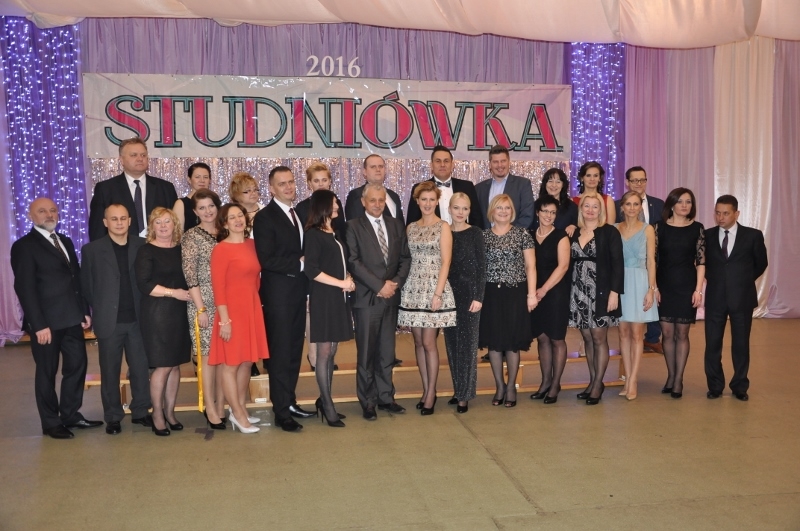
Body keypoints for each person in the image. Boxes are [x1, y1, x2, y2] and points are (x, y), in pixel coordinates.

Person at [11, 198, 102, 439]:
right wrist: (38, 324)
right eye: (42, 211)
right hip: (46, 325)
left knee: (77, 366)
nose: (49, 215)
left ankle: (70, 415)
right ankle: (51, 423)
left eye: (53, 210)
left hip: (71, 318)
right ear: (31, 216)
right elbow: (25, 288)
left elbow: (75, 278)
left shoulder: (65, 241)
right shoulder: (24, 246)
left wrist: (84, 310)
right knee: (47, 372)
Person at [81, 204, 152, 435]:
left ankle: (141, 411)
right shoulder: (92, 250)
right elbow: (87, 285)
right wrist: (99, 308)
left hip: (138, 320)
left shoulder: (143, 245)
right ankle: (113, 416)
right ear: (105, 222)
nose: (119, 222)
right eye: (114, 219)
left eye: (123, 218)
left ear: (130, 221)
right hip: (109, 321)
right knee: (110, 372)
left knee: (140, 368)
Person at [252, 166, 314, 432]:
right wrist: (300, 264)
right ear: (271, 188)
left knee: (294, 352)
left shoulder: (297, 213)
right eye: (282, 184)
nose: (289, 187)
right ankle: (281, 412)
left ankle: (289, 401)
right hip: (278, 296)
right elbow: (266, 259)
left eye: (291, 182)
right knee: (280, 354)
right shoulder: (265, 217)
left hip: (297, 293)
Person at [346, 184, 412, 421]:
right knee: (366, 354)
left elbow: (405, 258)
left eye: (381, 200)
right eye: (372, 200)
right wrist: (379, 285)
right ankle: (368, 401)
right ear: (363, 202)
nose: (377, 204)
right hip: (367, 299)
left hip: (390, 297)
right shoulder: (353, 226)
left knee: (386, 352)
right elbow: (353, 261)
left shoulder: (396, 225)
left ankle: (386, 397)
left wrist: (395, 283)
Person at [210, 203, 270, 434]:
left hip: (251, 308)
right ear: (224, 223)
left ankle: (241, 409)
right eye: (232, 217)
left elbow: (257, 280)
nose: (237, 220)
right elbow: (218, 287)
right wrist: (224, 320)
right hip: (231, 312)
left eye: (240, 216)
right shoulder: (221, 249)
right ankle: (236, 413)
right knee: (231, 365)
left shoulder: (252, 245)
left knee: (246, 362)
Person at [398, 181, 457, 416]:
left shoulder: (444, 226)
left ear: (437, 201)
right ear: (417, 201)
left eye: (432, 199)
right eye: (424, 199)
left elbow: (446, 262)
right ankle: (425, 389)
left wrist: (438, 294)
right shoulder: (411, 228)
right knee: (418, 343)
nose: (428, 203)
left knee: (430, 342)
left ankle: (432, 392)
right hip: (413, 289)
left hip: (434, 288)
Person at [134, 207, 192, 436]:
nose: (163, 226)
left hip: (179, 312)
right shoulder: (146, 250)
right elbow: (144, 284)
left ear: (174, 224)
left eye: (167, 221)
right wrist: (173, 293)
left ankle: (170, 412)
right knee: (163, 365)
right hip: (158, 313)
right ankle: (157, 414)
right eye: (158, 222)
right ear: (152, 226)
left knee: (175, 364)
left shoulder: (181, 249)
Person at [703, 195, 768, 401]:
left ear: (736, 213)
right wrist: (716, 279)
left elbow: (761, 263)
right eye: (717, 213)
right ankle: (715, 386)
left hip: (742, 298)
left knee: (741, 344)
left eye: (726, 213)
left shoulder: (753, 236)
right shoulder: (707, 235)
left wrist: (742, 280)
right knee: (713, 343)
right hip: (715, 297)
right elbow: (702, 264)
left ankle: (740, 386)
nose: (720, 217)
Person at [304, 190, 356, 427]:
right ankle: (327, 404)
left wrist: (347, 279)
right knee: (324, 353)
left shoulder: (333, 231)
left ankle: (325, 400)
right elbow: (312, 270)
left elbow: (338, 263)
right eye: (334, 203)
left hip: (337, 296)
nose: (337, 206)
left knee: (332, 351)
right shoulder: (313, 234)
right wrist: (341, 283)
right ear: (324, 206)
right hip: (324, 298)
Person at [480, 194, 537, 408]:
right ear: (492, 211)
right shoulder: (483, 236)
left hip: (515, 293)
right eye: (499, 208)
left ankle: (511, 386)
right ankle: (499, 386)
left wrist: (531, 294)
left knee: (512, 342)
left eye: (507, 208)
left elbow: (531, 266)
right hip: (491, 294)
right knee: (494, 343)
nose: (503, 211)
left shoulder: (522, 234)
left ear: (512, 211)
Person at [569, 195, 624, 405]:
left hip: (601, 292)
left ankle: (598, 384)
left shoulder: (609, 232)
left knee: (599, 338)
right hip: (578, 292)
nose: (590, 210)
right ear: (581, 209)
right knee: (587, 338)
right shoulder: (574, 232)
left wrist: (614, 292)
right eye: (587, 206)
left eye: (595, 206)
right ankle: (593, 381)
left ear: (601, 210)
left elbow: (618, 264)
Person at [295, 162, 346, 372]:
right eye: (316, 181)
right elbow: (302, 244)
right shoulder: (302, 208)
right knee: (314, 318)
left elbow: (340, 235)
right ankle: (315, 358)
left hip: (333, 271)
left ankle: (326, 359)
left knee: (332, 325)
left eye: (324, 180)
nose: (321, 184)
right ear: (309, 184)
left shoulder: (336, 206)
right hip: (312, 271)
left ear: (330, 181)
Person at [655, 187, 705, 399]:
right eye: (680, 201)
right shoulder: (659, 227)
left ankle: (678, 380)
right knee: (667, 333)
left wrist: (698, 290)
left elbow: (701, 262)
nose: (685, 205)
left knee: (682, 334)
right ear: (672, 204)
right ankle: (670, 375)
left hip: (686, 285)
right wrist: (654, 287)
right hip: (664, 285)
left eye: (688, 202)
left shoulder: (697, 228)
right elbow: (652, 260)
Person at [181, 189, 226, 429]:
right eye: (202, 208)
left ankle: (221, 405)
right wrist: (201, 310)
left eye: (211, 206)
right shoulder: (191, 236)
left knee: (224, 357)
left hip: (227, 302)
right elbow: (191, 276)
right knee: (208, 358)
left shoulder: (226, 231)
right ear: (195, 212)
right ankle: (210, 408)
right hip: (204, 303)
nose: (208, 211)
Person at [615, 166, 665, 354]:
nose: (638, 183)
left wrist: (653, 286)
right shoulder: (616, 208)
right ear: (627, 182)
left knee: (646, 313)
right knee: (625, 330)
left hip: (648, 267)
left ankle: (652, 339)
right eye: (634, 180)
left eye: (642, 180)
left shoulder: (658, 204)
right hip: (623, 274)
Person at [443, 193, 485, 414]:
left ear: (469, 211)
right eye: (457, 208)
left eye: (465, 208)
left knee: (467, 346)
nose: (460, 212)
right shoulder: (444, 232)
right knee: (452, 343)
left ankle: (465, 395)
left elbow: (481, 267)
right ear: (449, 209)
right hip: (448, 294)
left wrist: (479, 297)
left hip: (470, 296)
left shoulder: (475, 233)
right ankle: (458, 389)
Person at [89, 137, 178, 240]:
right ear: (121, 160)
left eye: (143, 155)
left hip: (159, 246)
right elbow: (97, 230)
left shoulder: (165, 188)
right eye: (134, 155)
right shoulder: (105, 189)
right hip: (121, 248)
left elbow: (176, 225)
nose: (140, 159)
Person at [615, 191, 658, 401]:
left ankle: (633, 379)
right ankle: (626, 378)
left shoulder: (648, 229)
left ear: (641, 207)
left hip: (640, 281)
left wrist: (651, 289)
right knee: (623, 332)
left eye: (635, 204)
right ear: (622, 207)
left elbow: (651, 260)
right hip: (620, 282)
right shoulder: (615, 229)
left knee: (636, 333)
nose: (632, 208)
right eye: (628, 204)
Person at [528, 195, 571, 404]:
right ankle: (545, 382)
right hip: (534, 293)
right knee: (542, 337)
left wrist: (544, 290)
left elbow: (563, 267)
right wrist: (532, 292)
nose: (548, 215)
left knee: (556, 338)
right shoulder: (529, 235)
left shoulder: (561, 236)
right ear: (538, 212)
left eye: (553, 212)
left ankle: (555, 384)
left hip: (555, 292)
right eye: (545, 211)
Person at [406, 145, 483, 228]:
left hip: (464, 235)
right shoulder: (420, 188)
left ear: (452, 165)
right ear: (431, 165)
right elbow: (412, 222)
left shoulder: (467, 187)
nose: (442, 164)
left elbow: (477, 219)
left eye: (446, 161)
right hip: (431, 236)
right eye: (438, 161)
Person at [475, 145, 534, 229]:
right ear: (490, 164)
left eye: (503, 161)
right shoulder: (479, 188)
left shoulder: (523, 184)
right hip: (485, 236)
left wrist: (512, 235)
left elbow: (527, 215)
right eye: (495, 162)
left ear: (509, 162)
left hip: (515, 236)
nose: (500, 165)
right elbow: (476, 218)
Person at [345, 154, 405, 224]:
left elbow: (400, 225)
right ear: (364, 171)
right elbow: (355, 225)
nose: (378, 169)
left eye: (381, 166)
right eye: (373, 167)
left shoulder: (394, 196)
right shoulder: (356, 195)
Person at [530, 168, 578, 233]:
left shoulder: (572, 207)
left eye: (558, 182)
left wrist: (574, 226)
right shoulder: (535, 206)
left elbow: (579, 225)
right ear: (545, 184)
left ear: (563, 185)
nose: (554, 185)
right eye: (550, 181)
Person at [173, 162, 211, 231]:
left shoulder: (214, 202)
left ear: (209, 180)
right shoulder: (181, 204)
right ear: (189, 180)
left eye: (205, 177)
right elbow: (177, 233)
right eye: (197, 177)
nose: (202, 180)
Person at [229, 171, 264, 235]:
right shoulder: (230, 214)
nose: (253, 193)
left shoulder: (266, 212)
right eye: (248, 191)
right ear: (236, 194)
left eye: (255, 189)